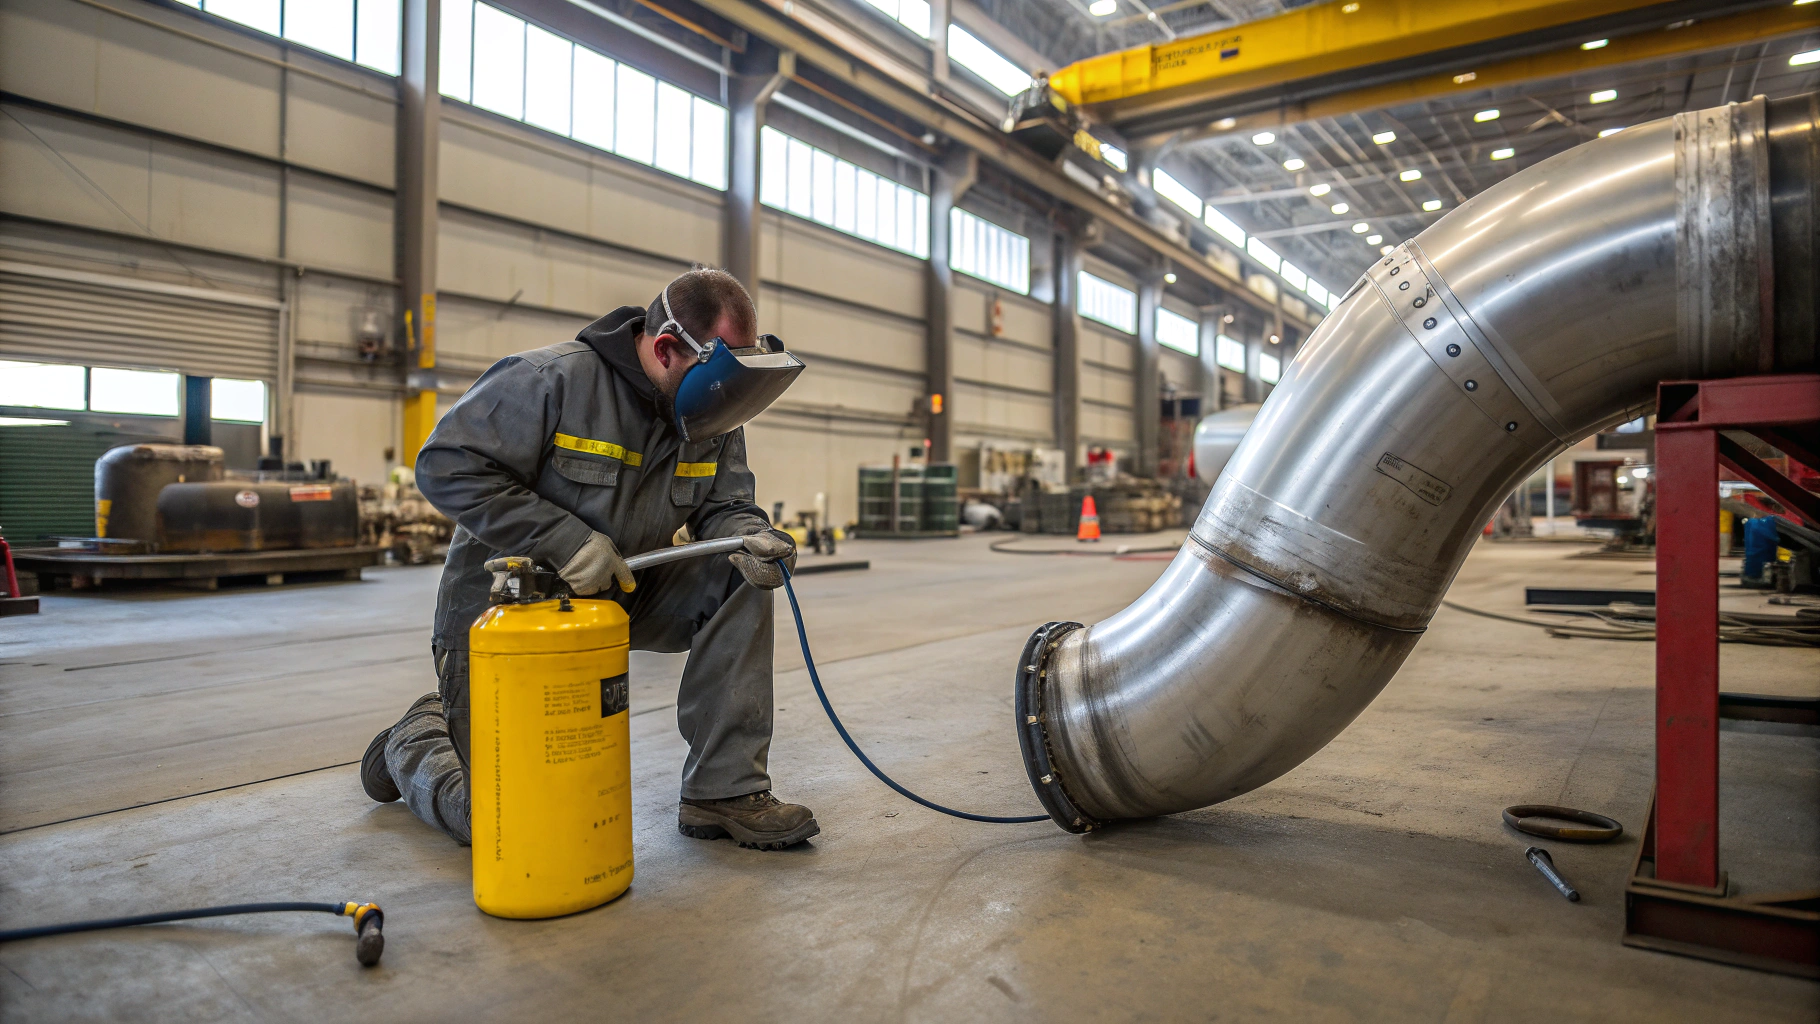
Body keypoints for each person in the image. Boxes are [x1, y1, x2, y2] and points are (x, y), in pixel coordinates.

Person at [360, 266, 819, 851]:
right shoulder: (549, 381)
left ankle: (722, 789)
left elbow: (726, 504)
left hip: (624, 590)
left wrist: (751, 535)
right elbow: (445, 463)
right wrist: (564, 541)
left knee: (738, 573)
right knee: (507, 824)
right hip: (508, 615)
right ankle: (415, 740)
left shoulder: (710, 406)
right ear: (666, 348)